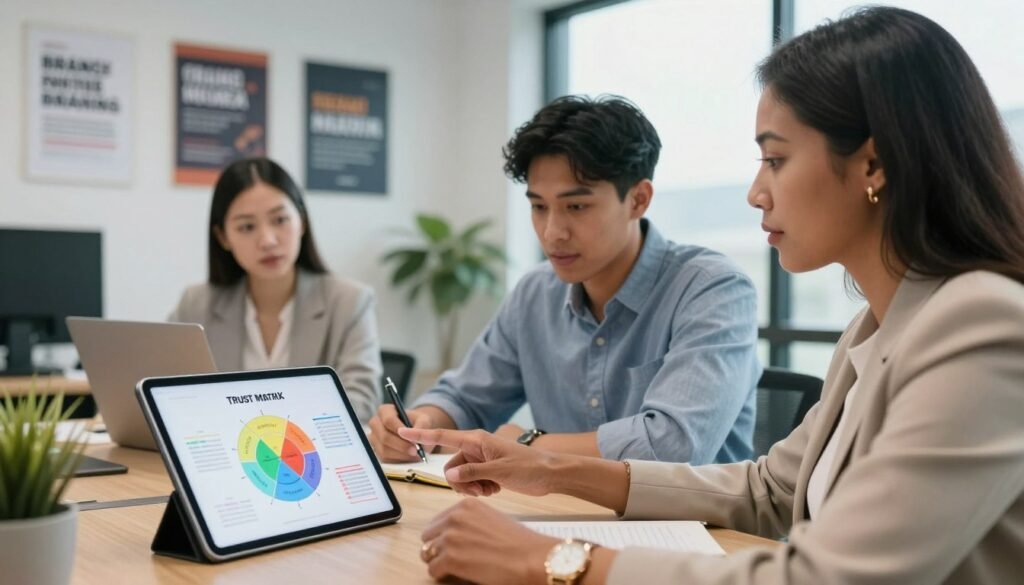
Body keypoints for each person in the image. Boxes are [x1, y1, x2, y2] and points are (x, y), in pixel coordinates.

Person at [396, 7, 1024, 585]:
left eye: (774, 160)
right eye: (538, 207)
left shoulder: (982, 325)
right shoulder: (872, 328)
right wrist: (545, 469)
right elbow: (766, 490)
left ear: (873, 166)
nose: (756, 192)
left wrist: (551, 560)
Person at [369, 96, 760, 464]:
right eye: (539, 207)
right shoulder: (535, 293)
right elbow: (466, 398)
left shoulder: (712, 289)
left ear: (638, 199)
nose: (552, 232)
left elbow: (675, 446)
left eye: (576, 206)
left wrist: (528, 445)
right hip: (559, 520)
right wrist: (422, 424)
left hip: (697, 532)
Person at [169, 157, 382, 422]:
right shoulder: (196, 304)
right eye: (247, 226)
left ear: (301, 222)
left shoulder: (350, 301)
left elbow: (362, 403)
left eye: (280, 219)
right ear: (223, 237)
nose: (268, 241)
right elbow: (165, 394)